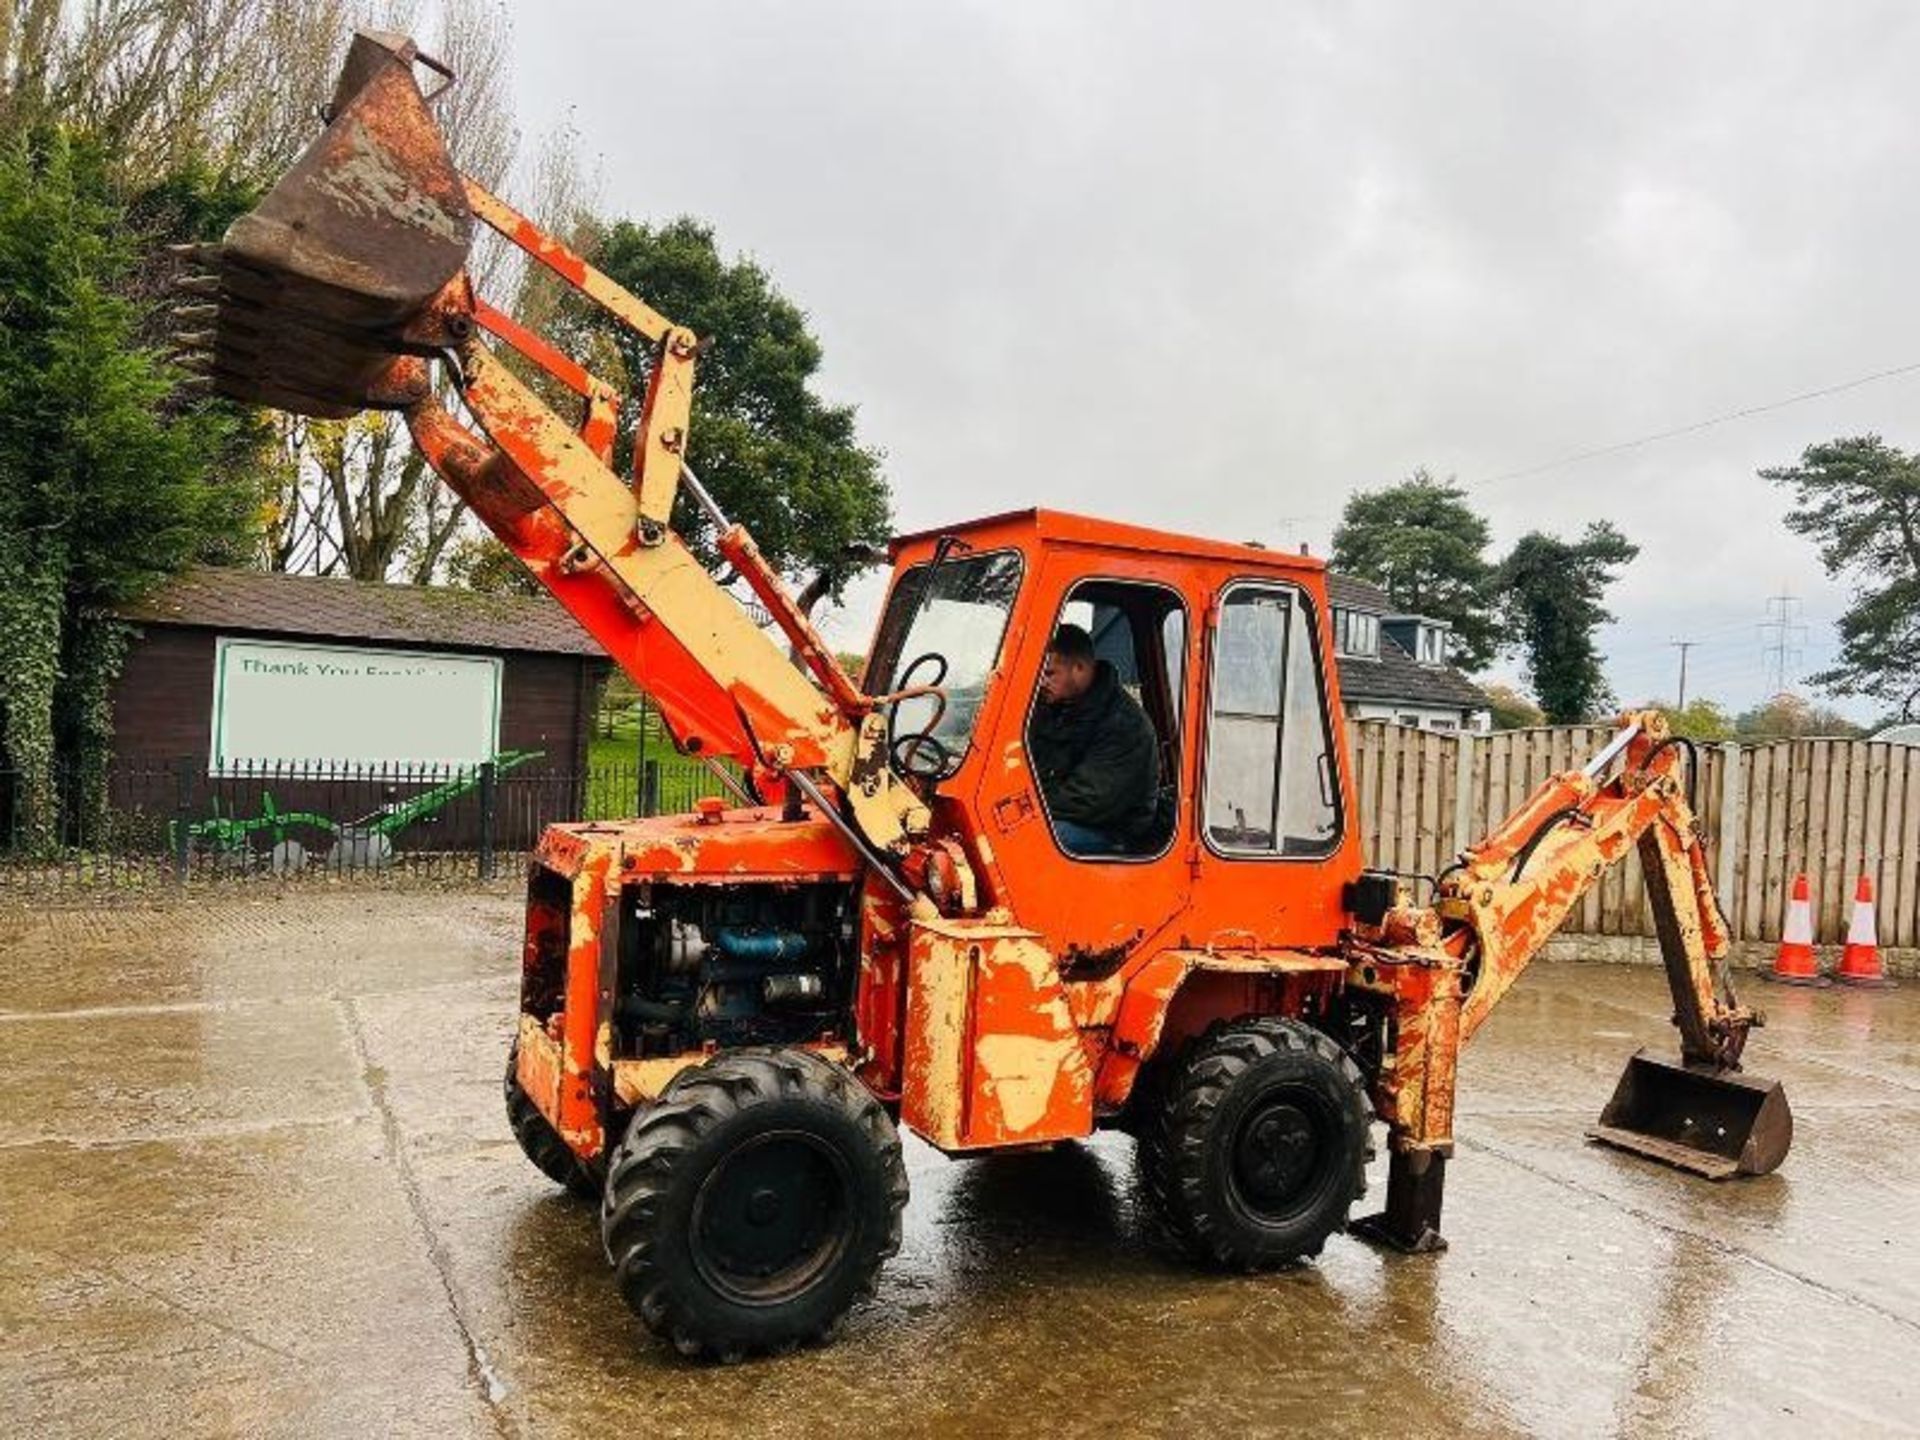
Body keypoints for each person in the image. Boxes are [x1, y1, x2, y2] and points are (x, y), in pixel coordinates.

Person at [1027, 624, 1161, 856]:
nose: (1040, 682)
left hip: (1110, 829)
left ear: (1079, 668)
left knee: (1027, 842)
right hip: (1058, 811)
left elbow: (1088, 800)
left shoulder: (1124, 724)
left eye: (1049, 673)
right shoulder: (1050, 706)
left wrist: (1024, 808)